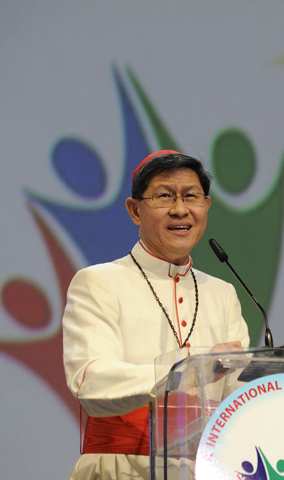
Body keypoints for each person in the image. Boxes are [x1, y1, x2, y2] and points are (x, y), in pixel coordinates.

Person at [63, 150, 250, 480]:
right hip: (120, 468)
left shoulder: (223, 293)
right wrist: (188, 371)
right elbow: (89, 382)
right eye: (165, 196)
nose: (180, 209)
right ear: (135, 210)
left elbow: (239, 398)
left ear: (206, 206)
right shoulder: (99, 282)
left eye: (191, 196)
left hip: (204, 471)